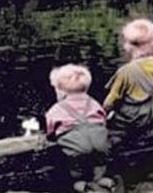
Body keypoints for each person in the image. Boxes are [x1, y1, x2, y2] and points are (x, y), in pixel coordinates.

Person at [103, 19, 153, 148]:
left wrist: (101, 115)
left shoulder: (126, 71)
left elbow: (111, 100)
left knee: (113, 123)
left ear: (128, 46)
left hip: (135, 118)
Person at [46, 64, 111, 192]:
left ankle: (82, 185)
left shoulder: (56, 109)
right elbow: (103, 119)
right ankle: (101, 180)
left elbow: (50, 131)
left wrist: (52, 136)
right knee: (100, 162)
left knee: (75, 167)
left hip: (76, 146)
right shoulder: (94, 103)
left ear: (60, 90)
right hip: (100, 142)